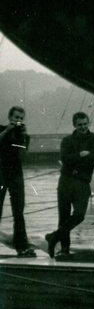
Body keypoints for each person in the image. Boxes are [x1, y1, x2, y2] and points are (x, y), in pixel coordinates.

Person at [46, 112, 94, 258]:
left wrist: (75, 158)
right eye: (79, 125)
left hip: (82, 182)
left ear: (88, 123)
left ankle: (53, 237)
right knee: (63, 217)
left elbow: (93, 159)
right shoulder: (67, 140)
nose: (83, 127)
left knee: (79, 215)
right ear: (74, 125)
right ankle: (64, 250)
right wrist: (80, 155)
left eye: (85, 124)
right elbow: (64, 159)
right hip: (66, 181)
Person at [0, 106, 35, 257]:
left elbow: (24, 158)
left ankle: (21, 247)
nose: (18, 121)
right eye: (16, 117)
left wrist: (23, 138)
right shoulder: (1, 130)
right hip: (0, 172)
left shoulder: (24, 136)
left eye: (21, 118)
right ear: (10, 118)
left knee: (18, 211)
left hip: (16, 174)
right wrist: (7, 131)